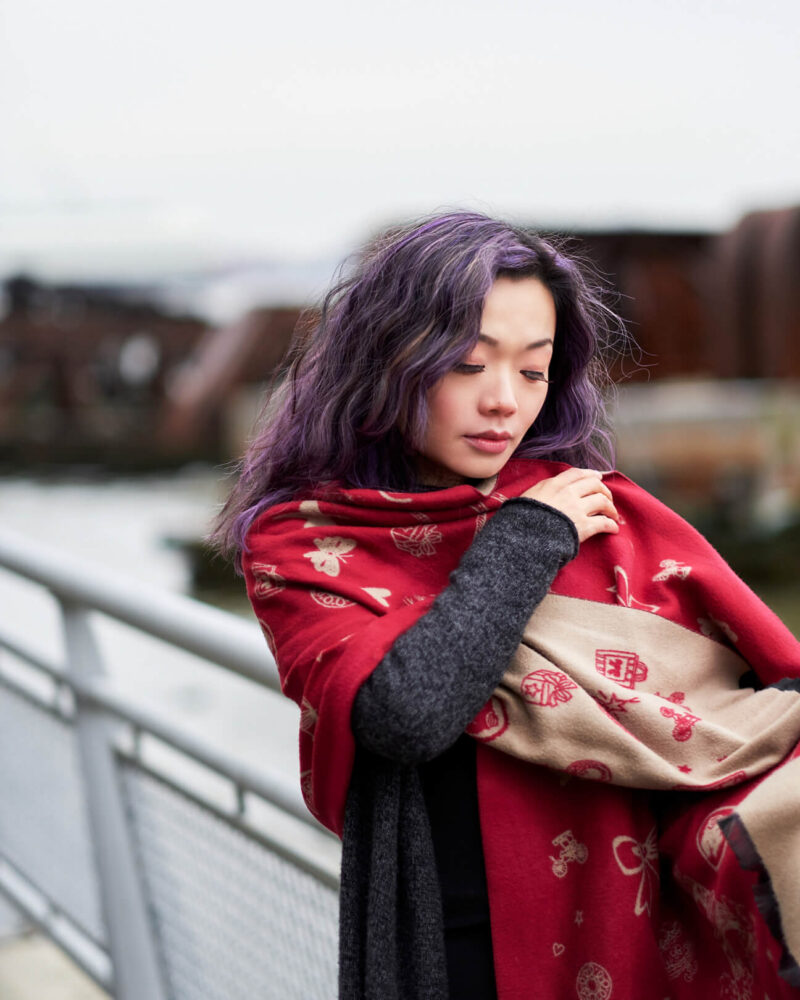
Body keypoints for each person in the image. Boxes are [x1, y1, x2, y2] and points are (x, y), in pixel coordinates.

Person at [212, 212, 800, 1000]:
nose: (503, 403)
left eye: (533, 371)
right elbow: (408, 712)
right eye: (466, 365)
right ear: (386, 357)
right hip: (450, 952)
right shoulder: (303, 541)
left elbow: (752, 700)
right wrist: (527, 541)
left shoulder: (592, 510)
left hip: (631, 933)